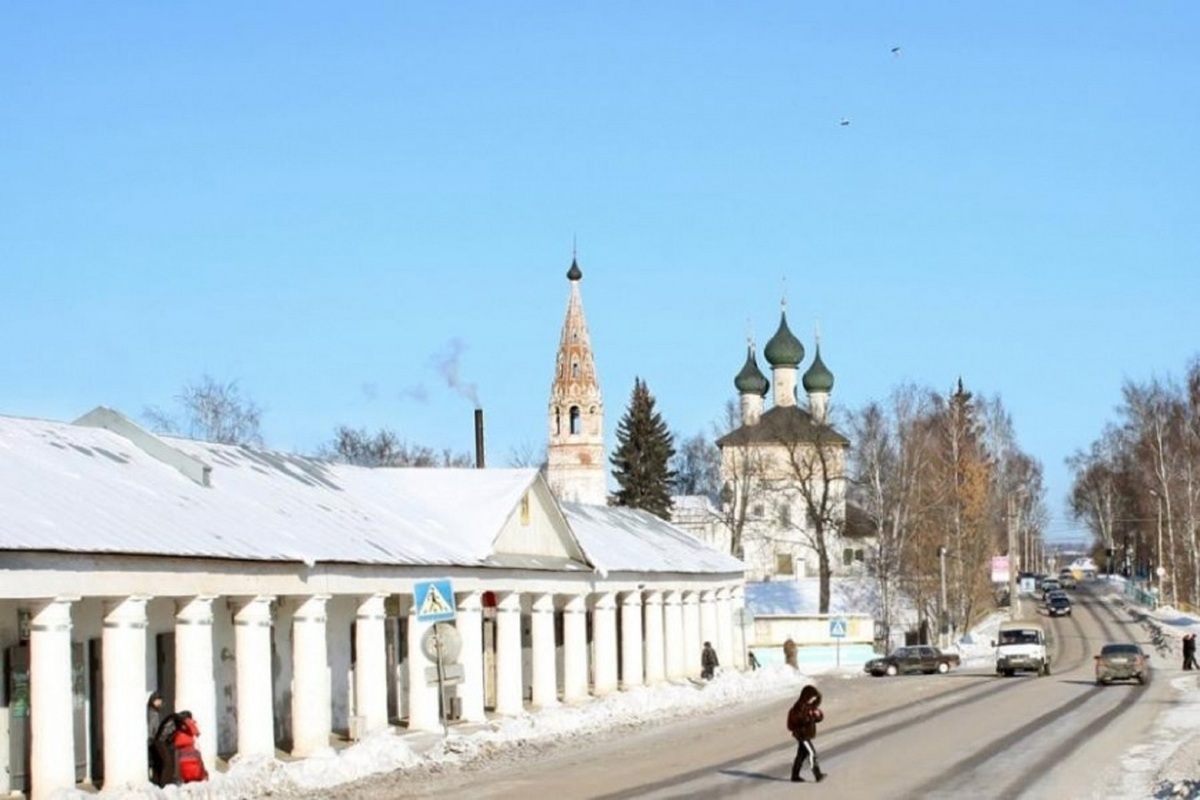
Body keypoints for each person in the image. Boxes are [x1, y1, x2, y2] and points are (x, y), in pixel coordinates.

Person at [786, 684, 826, 783]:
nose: (813, 700)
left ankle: (795, 776)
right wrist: (811, 716)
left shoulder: (809, 706)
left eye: (814, 698)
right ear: (806, 696)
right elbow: (799, 720)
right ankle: (817, 774)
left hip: (806, 734)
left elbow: (818, 716)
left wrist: (817, 715)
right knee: (812, 753)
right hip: (802, 735)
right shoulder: (799, 707)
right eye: (811, 698)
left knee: (801, 755)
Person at [172, 711, 209, 784]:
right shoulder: (188, 725)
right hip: (188, 749)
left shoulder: (180, 727)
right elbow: (197, 733)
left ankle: (183, 778)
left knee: (183, 765)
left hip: (183, 750)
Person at [146, 692, 166, 786]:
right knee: (153, 761)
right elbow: (151, 727)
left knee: (156, 761)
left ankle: (156, 779)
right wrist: (151, 737)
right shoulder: (151, 712)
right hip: (152, 740)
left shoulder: (156, 712)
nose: (159, 702)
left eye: (160, 700)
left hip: (155, 739)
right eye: (157, 700)